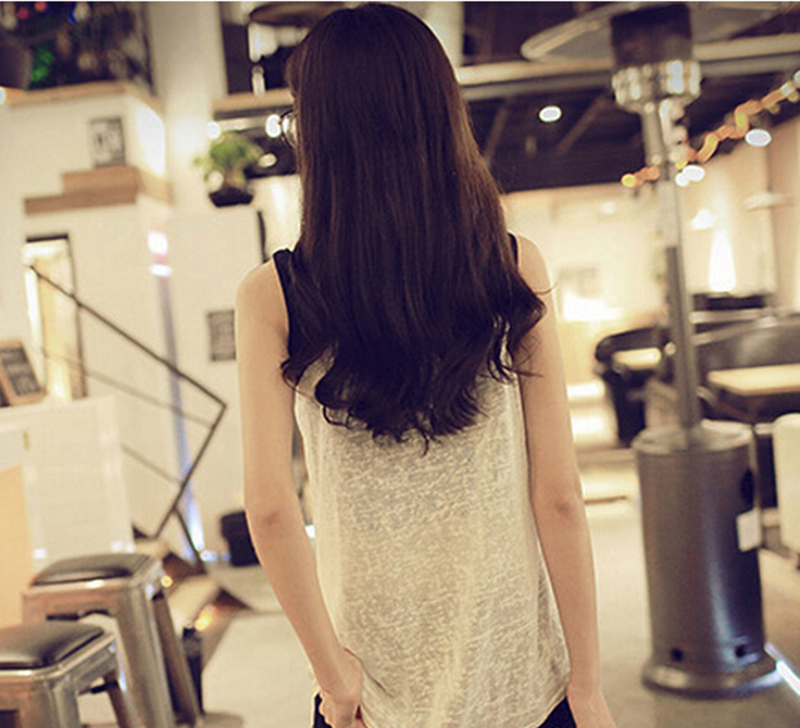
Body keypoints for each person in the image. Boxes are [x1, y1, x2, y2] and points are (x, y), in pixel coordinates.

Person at [235, 4, 617, 728]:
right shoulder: (512, 266)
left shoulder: (273, 295)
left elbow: (271, 509)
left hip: (372, 693)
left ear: (317, 131)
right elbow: (560, 495)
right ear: (443, 115)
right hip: (520, 676)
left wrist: (333, 678)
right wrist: (588, 682)